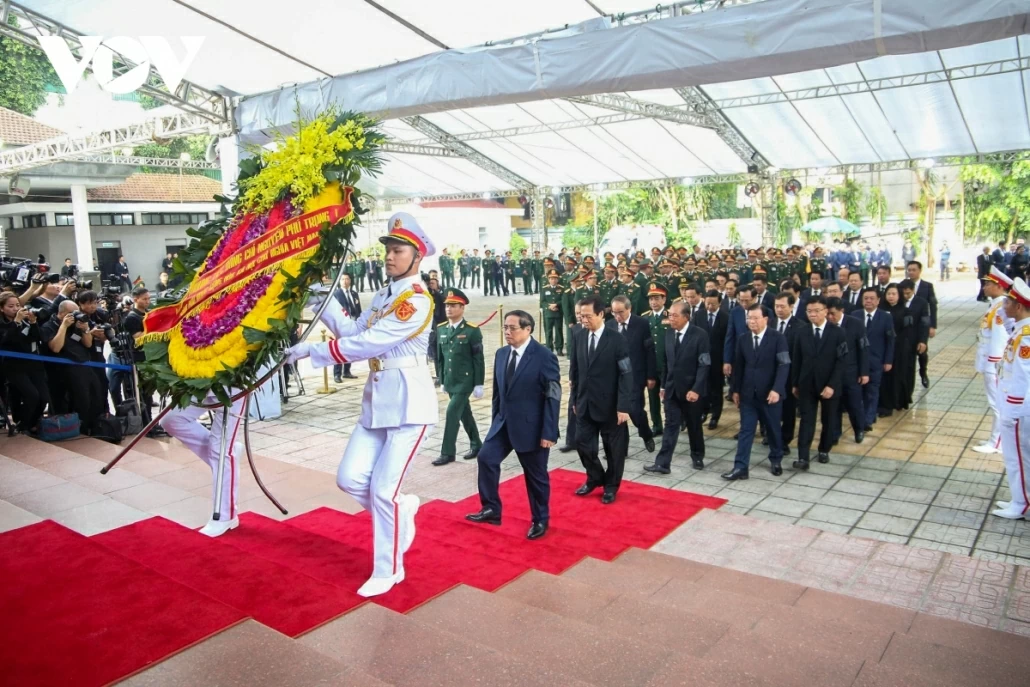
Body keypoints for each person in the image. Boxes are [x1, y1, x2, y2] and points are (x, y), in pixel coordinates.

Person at [287, 212, 438, 597]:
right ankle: (402, 513)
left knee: (383, 491)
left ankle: (388, 570)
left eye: (397, 250)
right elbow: (355, 330)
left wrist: (311, 350)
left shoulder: (415, 301)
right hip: (377, 403)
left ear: (417, 257)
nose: (389, 256)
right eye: (387, 249)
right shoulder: (385, 295)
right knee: (350, 479)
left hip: (408, 405)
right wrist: (325, 298)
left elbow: (369, 344)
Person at [466, 310, 559, 539]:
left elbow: (553, 396)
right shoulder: (501, 354)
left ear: (528, 329)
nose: (507, 332)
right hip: (503, 424)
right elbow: (498, 393)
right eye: (505, 327)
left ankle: (540, 519)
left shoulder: (544, 356)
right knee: (486, 458)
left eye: (512, 328)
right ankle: (491, 508)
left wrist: (549, 431)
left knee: (535, 477)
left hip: (532, 427)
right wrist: (495, 420)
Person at [569, 294, 634, 503]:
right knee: (581, 443)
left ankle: (611, 486)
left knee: (613, 450)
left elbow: (626, 374)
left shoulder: (617, 339)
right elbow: (575, 371)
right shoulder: (578, 335)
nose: (583, 320)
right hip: (585, 402)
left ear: (600, 314)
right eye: (580, 316)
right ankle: (595, 477)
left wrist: (623, 406)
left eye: (588, 316)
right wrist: (574, 400)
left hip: (610, 405)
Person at [725, 303, 790, 479]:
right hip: (748, 394)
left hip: (770, 395)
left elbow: (784, 365)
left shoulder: (778, 338)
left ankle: (776, 459)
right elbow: (739, 367)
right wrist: (735, 390)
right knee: (746, 430)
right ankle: (740, 467)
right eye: (749, 318)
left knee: (773, 429)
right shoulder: (743, 339)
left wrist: (777, 389)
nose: (751, 321)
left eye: (755, 318)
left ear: (765, 319)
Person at [644, 300, 710, 474]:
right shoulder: (668, 334)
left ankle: (697, 455)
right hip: (672, 389)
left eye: (675, 315)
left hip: (691, 391)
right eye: (669, 315)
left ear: (686, 317)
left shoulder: (699, 335)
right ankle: (663, 463)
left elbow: (704, 365)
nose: (671, 318)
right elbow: (666, 363)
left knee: (694, 425)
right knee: (671, 425)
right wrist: (664, 386)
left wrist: (696, 389)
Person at [791, 296, 846, 470]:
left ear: (825, 311)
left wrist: (832, 385)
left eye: (816, 311)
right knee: (807, 420)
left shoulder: (837, 332)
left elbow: (842, 361)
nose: (812, 314)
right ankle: (803, 456)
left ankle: (824, 449)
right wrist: (795, 383)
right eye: (809, 311)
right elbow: (796, 359)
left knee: (829, 419)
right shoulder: (801, 331)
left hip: (829, 384)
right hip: (807, 384)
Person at [991, 278, 1030, 520]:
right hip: (1013, 405)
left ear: (1018, 306)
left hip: (1017, 408)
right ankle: (1020, 498)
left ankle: (1022, 502)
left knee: (1018, 456)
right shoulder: (1020, 329)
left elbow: (1025, 375)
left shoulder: (1026, 336)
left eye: (1007, 302)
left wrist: (1015, 410)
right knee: (1016, 456)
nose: (1003, 305)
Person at [432, 288, 484, 466]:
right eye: (447, 305)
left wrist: (479, 383)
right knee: (464, 413)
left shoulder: (472, 331)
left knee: (452, 412)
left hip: (465, 380)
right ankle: (477, 444)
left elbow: (478, 359)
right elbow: (440, 357)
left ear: (462, 308)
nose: (449, 309)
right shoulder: (441, 329)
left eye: (453, 305)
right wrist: (441, 379)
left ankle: (448, 452)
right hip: (450, 380)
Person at [606, 295, 657, 453]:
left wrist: (651, 375)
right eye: (614, 312)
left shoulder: (641, 323)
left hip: (636, 375)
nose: (617, 316)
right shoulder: (609, 325)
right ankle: (622, 448)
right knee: (618, 413)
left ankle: (646, 434)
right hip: (615, 377)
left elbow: (649, 351)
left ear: (629, 309)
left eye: (620, 312)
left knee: (635, 410)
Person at [42, 299, 101, 433]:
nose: (75, 315)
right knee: (77, 400)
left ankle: (90, 426)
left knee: (94, 396)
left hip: (83, 365)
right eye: (72, 313)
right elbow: (56, 348)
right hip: (62, 370)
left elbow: (88, 344)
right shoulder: (48, 326)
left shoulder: (77, 323)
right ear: (62, 314)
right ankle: (74, 428)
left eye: (77, 312)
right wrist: (63, 326)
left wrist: (85, 329)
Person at [972, 267, 1015, 454]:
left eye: (988, 284)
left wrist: (993, 363)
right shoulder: (996, 305)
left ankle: (996, 442)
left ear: (998, 286)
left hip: (994, 362)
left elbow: (999, 337)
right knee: (995, 402)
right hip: (989, 360)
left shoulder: (1000, 307)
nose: (984, 287)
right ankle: (996, 438)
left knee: (997, 403)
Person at [0, 293, 48, 434]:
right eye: (11, 306)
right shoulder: (4, 324)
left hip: (33, 364)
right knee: (31, 395)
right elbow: (6, 341)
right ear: (2, 309)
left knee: (44, 397)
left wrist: (33, 323)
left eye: (17, 305)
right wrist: (16, 322)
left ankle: (33, 422)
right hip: (14, 366)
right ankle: (23, 424)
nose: (15, 309)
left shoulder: (26, 320)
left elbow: (37, 339)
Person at [852, 287, 895, 433]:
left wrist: (888, 360)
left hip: (876, 361)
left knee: (872, 390)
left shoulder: (886, 317)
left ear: (878, 301)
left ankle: (868, 420)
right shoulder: (855, 315)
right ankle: (861, 416)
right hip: (857, 361)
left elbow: (890, 340)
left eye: (871, 298)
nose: (868, 301)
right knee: (859, 392)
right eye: (865, 298)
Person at [826, 297, 869, 444]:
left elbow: (863, 348)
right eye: (828, 314)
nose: (830, 317)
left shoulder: (855, 324)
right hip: (831, 375)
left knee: (854, 405)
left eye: (833, 313)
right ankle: (835, 433)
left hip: (851, 373)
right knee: (834, 407)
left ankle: (859, 430)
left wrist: (864, 372)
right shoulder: (825, 325)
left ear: (841, 311)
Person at [894, 279, 931, 410]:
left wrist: (923, 340)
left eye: (908, 293)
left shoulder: (921, 303)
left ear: (913, 290)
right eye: (903, 293)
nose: (905, 296)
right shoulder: (897, 302)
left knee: (909, 368)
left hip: (914, 340)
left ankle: (907, 394)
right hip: (899, 341)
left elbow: (924, 323)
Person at [695, 289, 728, 429]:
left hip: (717, 359)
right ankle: (703, 411)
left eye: (713, 304)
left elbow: (727, 341)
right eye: (708, 303)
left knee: (716, 389)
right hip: (701, 359)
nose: (710, 307)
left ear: (719, 303)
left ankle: (715, 415)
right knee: (702, 387)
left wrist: (726, 361)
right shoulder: (698, 315)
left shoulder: (726, 317)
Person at [772, 293, 801, 453]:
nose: (779, 309)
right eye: (776, 306)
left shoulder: (800, 326)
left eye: (782, 306)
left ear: (791, 307)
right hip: (772, 374)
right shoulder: (769, 323)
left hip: (790, 375)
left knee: (789, 409)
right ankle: (772, 435)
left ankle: (785, 439)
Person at [642, 283, 671, 436]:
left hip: (668, 365)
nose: (653, 302)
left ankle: (672, 422)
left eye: (657, 298)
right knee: (653, 398)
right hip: (652, 366)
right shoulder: (645, 318)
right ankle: (657, 425)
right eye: (651, 299)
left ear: (664, 299)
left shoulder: (670, 316)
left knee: (669, 397)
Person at [906, 261, 937, 388]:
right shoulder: (904, 285)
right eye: (909, 270)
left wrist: (932, 325)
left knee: (922, 351)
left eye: (914, 270)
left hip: (922, 324)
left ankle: (923, 372)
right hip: (908, 326)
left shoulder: (927, 286)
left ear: (919, 271)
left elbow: (933, 306)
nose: (911, 272)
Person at [332, 274, 361, 382]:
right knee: (339, 349)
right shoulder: (336, 294)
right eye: (343, 279)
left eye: (347, 279)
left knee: (350, 348)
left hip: (353, 324)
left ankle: (347, 371)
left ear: (350, 281)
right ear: (339, 281)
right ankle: (337, 373)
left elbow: (359, 309)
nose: (345, 281)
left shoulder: (354, 293)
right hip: (340, 325)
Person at [540, 269, 566, 355]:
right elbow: (542, 301)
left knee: (559, 331)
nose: (553, 280)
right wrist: (549, 306)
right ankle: (549, 348)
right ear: (548, 279)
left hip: (558, 312)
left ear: (558, 279)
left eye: (555, 278)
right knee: (548, 331)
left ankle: (559, 348)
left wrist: (556, 305)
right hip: (548, 313)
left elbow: (563, 300)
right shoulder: (544, 289)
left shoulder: (561, 288)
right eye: (551, 278)